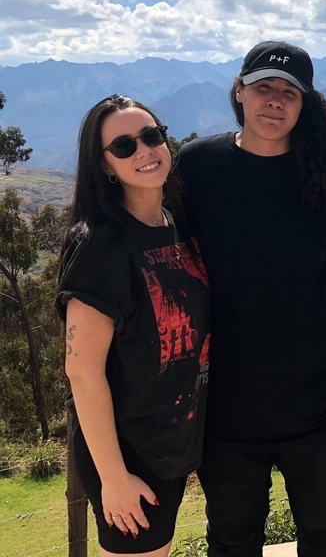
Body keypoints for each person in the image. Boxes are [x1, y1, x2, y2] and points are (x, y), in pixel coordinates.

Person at [176, 41, 326, 557]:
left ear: (305, 103)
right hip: (224, 410)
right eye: (263, 86)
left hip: (322, 407)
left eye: (290, 92)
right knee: (231, 542)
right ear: (239, 93)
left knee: (325, 536)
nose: (275, 100)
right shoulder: (197, 165)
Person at [57, 95, 212, 557]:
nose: (144, 150)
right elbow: (82, 372)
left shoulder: (177, 223)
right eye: (124, 147)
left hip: (174, 443)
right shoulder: (100, 248)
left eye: (151, 136)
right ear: (105, 165)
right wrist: (114, 478)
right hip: (129, 454)